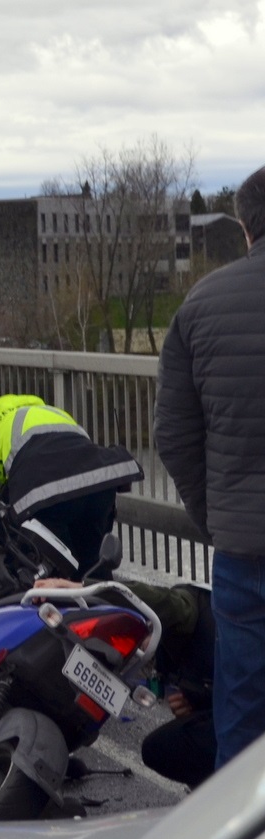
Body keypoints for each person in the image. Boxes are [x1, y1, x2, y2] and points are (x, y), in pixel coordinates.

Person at [155, 163, 265, 771]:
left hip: (244, 552)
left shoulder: (201, 305)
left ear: (246, 228)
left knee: (243, 714)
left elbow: (172, 436)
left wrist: (215, 515)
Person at [36, 576, 214, 788]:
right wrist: (198, 707)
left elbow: (162, 601)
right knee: (164, 745)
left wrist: (82, 588)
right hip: (230, 713)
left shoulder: (189, 609)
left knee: (160, 748)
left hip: (249, 730)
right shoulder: (172, 657)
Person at [0, 394, 143, 578]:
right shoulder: (55, 413)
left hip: (45, 493)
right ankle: (104, 604)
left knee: (48, 573)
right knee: (93, 568)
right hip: (97, 485)